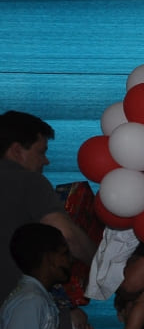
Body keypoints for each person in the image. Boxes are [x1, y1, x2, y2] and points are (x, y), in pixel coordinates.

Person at [1, 111, 93, 300]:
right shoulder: (29, 181)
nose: (46, 161)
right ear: (17, 150)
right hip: (16, 302)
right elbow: (67, 236)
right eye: (41, 152)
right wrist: (102, 264)